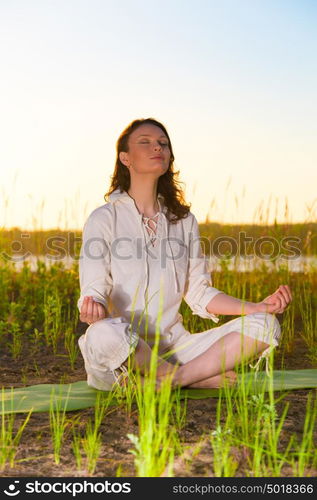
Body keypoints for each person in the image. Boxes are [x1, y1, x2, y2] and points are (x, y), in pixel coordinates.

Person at [77, 117, 292, 391]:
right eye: (146, 143)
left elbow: (200, 293)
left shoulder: (183, 220)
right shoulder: (103, 219)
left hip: (176, 348)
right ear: (125, 158)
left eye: (163, 144)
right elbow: (93, 290)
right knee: (103, 335)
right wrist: (92, 306)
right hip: (122, 351)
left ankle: (173, 379)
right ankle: (192, 378)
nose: (157, 148)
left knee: (265, 325)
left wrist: (256, 307)